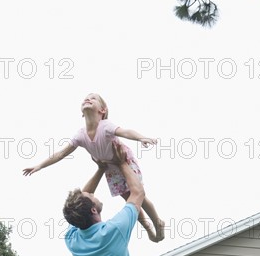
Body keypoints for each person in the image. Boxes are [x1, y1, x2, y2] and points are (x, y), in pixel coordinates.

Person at [23, 92, 165, 242]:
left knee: (139, 195)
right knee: (129, 199)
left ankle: (157, 222)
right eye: (85, 98)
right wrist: (40, 165)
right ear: (81, 114)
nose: (88, 99)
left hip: (123, 160)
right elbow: (61, 154)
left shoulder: (105, 126)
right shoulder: (80, 135)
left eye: (93, 99)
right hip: (110, 169)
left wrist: (141, 137)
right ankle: (147, 227)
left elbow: (125, 132)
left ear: (102, 110)